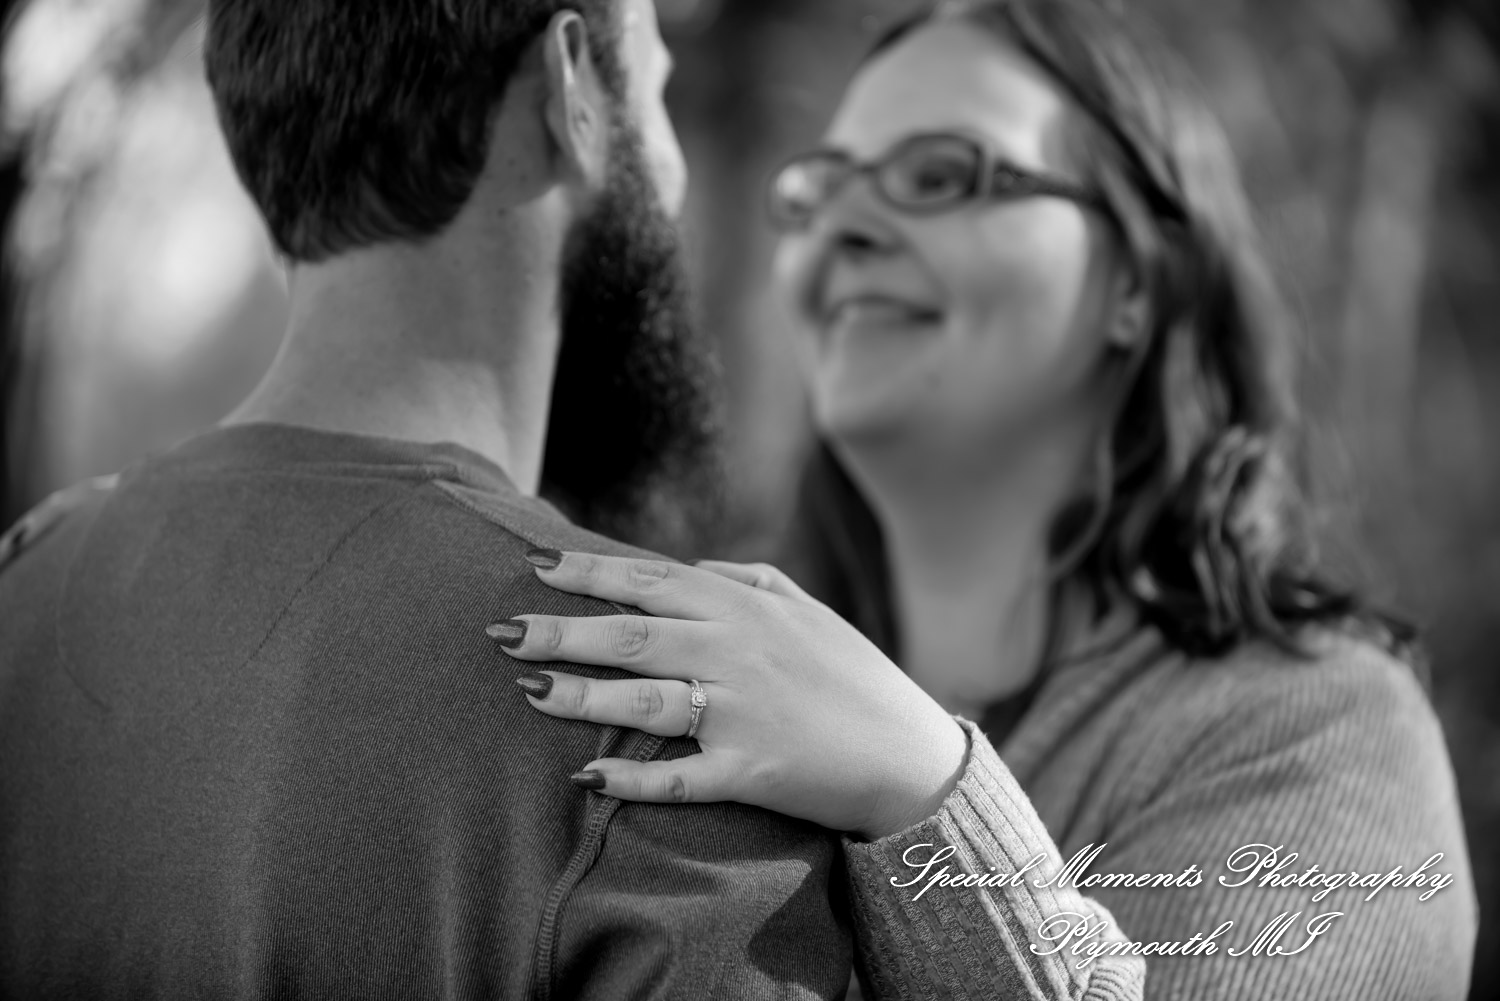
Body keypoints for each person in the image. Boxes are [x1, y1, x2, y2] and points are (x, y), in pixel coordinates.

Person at [487, 1, 1479, 998]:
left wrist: (923, 791)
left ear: (1139, 276)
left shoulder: (1321, 735)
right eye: (816, 192)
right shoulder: (713, 670)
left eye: (939, 174)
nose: (844, 227)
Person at [0, 1, 859, 997]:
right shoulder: (666, 710)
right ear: (574, 85)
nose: (669, 170)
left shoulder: (25, 582)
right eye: (656, 91)